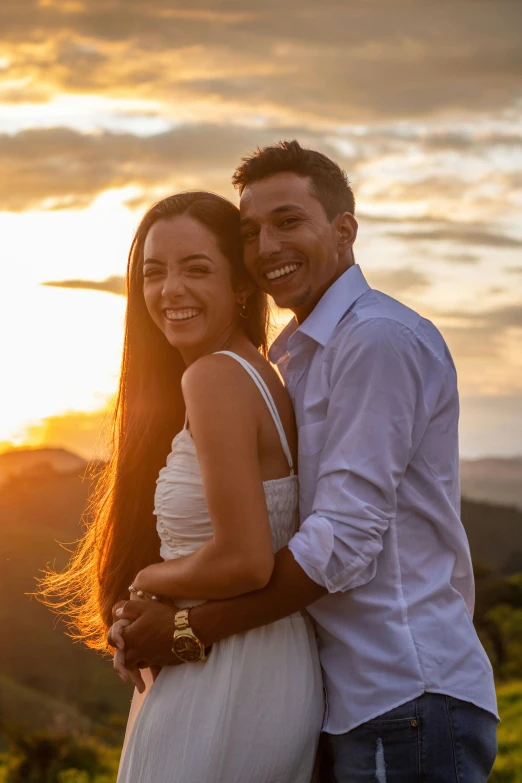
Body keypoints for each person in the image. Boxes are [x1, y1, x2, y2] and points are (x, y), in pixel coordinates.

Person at [113, 142, 499, 782]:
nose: (266, 246)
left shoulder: (377, 339)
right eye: (251, 231)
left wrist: (184, 626)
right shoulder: (292, 360)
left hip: (404, 689)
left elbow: (342, 540)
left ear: (344, 229)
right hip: (341, 695)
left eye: (288, 222)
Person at [41, 191, 324, 783]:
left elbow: (245, 561)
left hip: (232, 667)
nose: (170, 289)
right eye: (154, 272)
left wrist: (147, 582)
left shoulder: (215, 377)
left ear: (241, 286)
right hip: (261, 657)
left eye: (196, 269)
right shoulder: (253, 371)